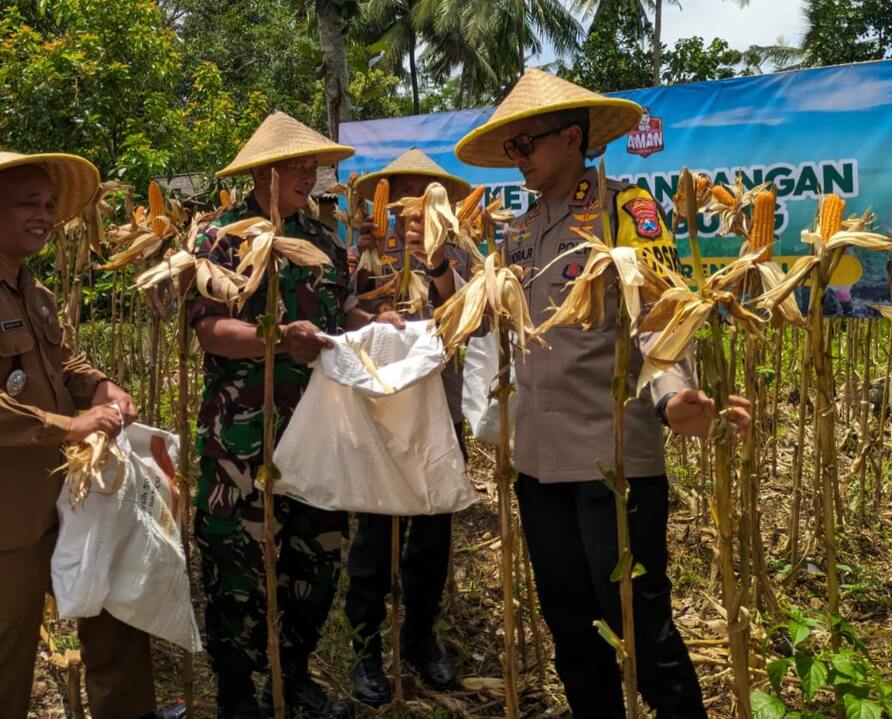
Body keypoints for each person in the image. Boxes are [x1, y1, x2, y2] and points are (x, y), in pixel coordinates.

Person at [414, 68, 751, 717]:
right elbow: (471, 316)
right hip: (538, 465)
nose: (517, 160)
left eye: (526, 145)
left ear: (571, 138)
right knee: (570, 628)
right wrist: (436, 266)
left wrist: (676, 398)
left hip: (612, 460)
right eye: (510, 149)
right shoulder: (516, 232)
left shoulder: (628, 213)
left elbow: (659, 319)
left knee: (637, 627)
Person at [0, 152, 161, 719]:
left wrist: (100, 387)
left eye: (49, 205)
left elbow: (63, 363)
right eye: (30, 203)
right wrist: (66, 426)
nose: (44, 216)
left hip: (61, 502)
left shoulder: (33, 292)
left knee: (117, 614)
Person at [190, 111, 404, 719]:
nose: (311, 175)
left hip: (320, 430)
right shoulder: (222, 240)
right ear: (264, 172)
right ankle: (236, 691)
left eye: (315, 165)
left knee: (316, 558)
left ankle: (293, 676)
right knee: (237, 567)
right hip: (243, 435)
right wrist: (279, 337)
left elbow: (344, 316)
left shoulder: (325, 242)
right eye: (299, 165)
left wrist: (375, 322)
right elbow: (210, 331)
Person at [342, 148, 471, 706]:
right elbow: (343, 311)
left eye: (424, 194)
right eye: (402, 195)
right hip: (380, 409)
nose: (411, 206)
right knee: (374, 534)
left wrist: (438, 263)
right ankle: (365, 647)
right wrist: (374, 318)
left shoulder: (459, 246)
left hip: (439, 407)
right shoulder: (363, 248)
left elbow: (473, 313)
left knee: (432, 534)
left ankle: (420, 638)